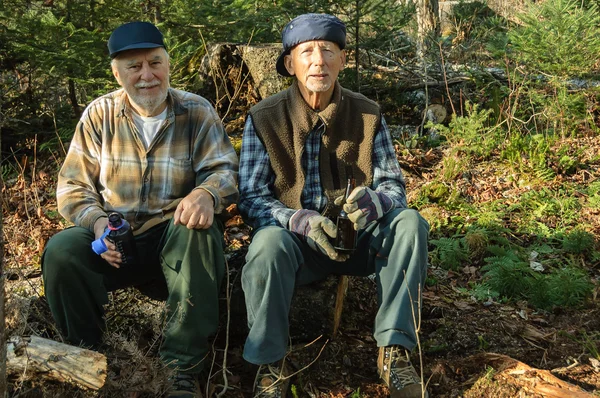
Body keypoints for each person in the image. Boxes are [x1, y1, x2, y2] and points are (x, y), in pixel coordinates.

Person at [41, 21, 239, 398]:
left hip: (173, 239)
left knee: (198, 229)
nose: (147, 76)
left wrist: (206, 194)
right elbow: (72, 186)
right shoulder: (99, 115)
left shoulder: (196, 111)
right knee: (61, 252)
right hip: (114, 237)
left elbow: (224, 171)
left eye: (155, 63)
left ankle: (182, 369)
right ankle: (87, 356)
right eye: (134, 67)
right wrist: (98, 223)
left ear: (168, 64)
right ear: (117, 73)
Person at [238, 13, 430, 398]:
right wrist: (297, 220)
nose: (318, 61)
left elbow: (394, 186)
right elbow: (251, 198)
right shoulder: (264, 118)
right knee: (265, 245)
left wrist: (379, 202)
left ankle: (394, 350)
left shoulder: (367, 113)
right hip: (296, 245)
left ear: (343, 58)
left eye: (328, 50)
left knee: (410, 224)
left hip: (357, 238)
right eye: (306, 51)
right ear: (290, 63)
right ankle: (270, 363)